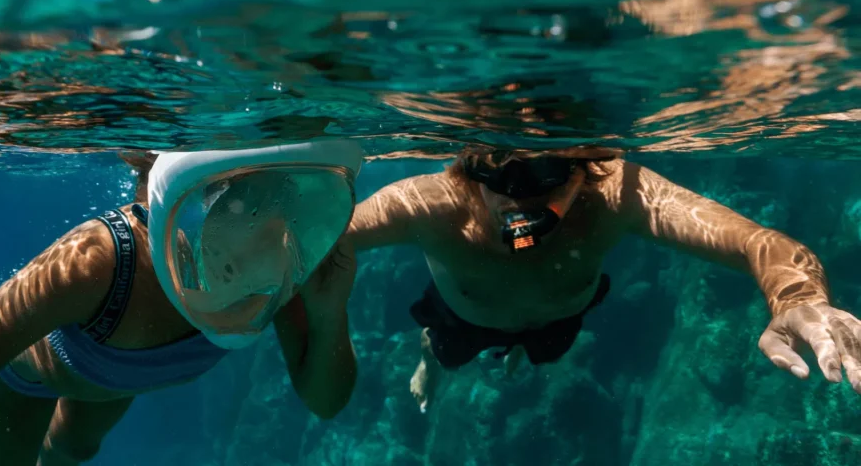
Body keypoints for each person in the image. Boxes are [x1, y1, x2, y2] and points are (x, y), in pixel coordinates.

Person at [0, 138, 363, 465]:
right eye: (250, 201)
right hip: (30, 377)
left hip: (115, 375)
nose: (274, 231)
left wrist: (329, 311)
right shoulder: (98, 264)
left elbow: (324, 402)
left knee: (75, 450)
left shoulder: (278, 261)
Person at [346, 147, 861, 412]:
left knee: (545, 349)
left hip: (562, 314)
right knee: (445, 352)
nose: (513, 199)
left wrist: (799, 296)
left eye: (542, 174)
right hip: (462, 315)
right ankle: (428, 357)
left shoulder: (617, 193)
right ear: (468, 169)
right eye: (497, 177)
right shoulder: (428, 204)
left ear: (581, 170)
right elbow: (326, 239)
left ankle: (521, 349)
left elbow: (756, 241)